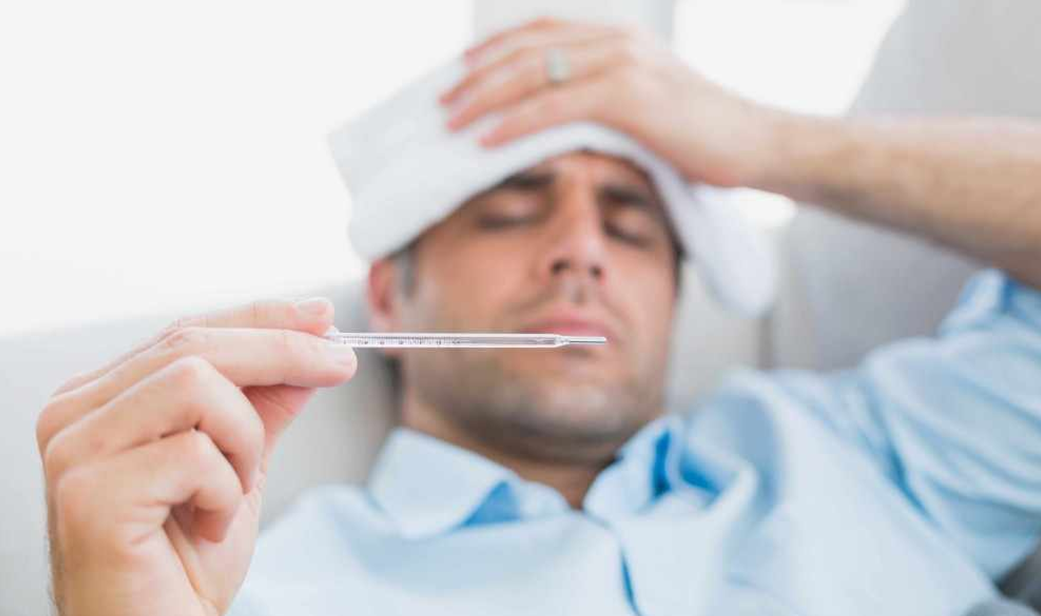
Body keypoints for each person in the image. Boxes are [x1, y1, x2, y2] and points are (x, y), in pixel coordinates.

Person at [35, 18, 1041, 616]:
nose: (582, 249)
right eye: (512, 211)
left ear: (677, 299)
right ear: (388, 294)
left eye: (633, 225)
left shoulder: (865, 451)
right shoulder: (251, 586)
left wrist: (763, 144)